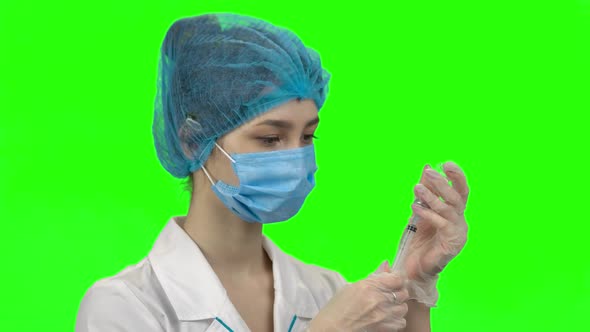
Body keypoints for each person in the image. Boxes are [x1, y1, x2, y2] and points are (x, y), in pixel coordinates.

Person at [75, 12, 470, 332]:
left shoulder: (325, 290)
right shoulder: (124, 307)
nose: (296, 158)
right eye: (270, 139)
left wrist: (415, 282)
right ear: (193, 142)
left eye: (308, 136)